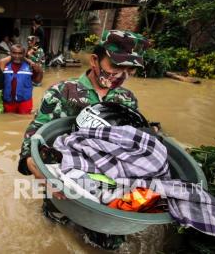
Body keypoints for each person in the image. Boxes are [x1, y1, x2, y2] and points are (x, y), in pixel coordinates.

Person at [17, 30, 150, 248]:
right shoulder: (62, 92)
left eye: (130, 69)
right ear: (95, 60)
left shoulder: (126, 99)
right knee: (55, 234)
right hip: (63, 182)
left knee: (109, 242)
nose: (122, 75)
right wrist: (38, 170)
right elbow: (35, 136)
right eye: (116, 67)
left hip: (106, 184)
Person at [0, 44, 43, 114]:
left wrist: (40, 71)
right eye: (14, 53)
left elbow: (37, 81)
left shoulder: (30, 66)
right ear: (10, 53)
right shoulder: (4, 65)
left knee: (24, 121)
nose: (17, 56)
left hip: (25, 102)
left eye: (20, 53)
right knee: (8, 120)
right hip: (8, 101)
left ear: (24, 54)